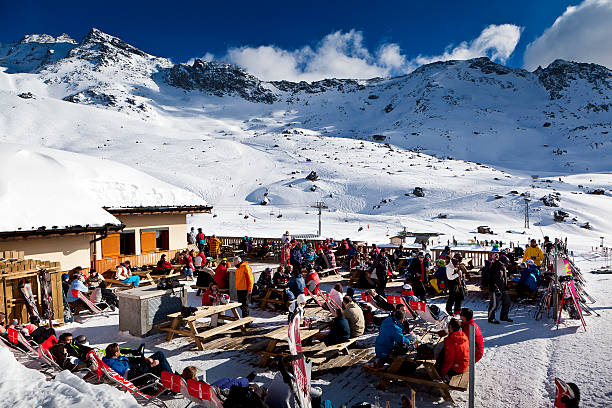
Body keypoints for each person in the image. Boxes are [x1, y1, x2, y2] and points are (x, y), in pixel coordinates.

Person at [103, 342, 172, 381]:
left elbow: (129, 359)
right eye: (119, 350)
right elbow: (132, 375)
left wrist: (144, 360)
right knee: (160, 364)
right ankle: (173, 381)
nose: (120, 351)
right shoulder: (114, 365)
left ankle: (172, 377)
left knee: (159, 354)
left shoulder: (113, 358)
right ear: (115, 353)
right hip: (139, 375)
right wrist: (150, 365)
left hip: (137, 368)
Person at [488, 255, 512, 324]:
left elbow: (504, 278)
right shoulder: (494, 267)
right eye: (505, 264)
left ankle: (504, 316)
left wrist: (506, 286)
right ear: (501, 262)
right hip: (495, 289)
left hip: (503, 288)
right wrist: (496, 289)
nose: (506, 266)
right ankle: (491, 318)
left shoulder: (503, 268)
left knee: (507, 302)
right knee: (494, 304)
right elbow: (491, 280)